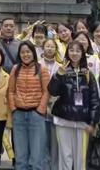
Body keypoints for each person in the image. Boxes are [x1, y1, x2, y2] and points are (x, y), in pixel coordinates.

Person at [48, 41, 100, 170]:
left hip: (82, 121)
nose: (74, 53)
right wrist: (58, 75)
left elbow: (95, 99)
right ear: (67, 52)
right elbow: (52, 91)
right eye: (71, 50)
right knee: (65, 156)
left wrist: (93, 122)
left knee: (81, 158)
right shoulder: (62, 71)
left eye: (78, 51)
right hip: (63, 120)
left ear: (82, 53)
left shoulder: (88, 74)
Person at [7, 40, 49, 170]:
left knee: (37, 157)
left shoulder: (41, 68)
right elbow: (11, 91)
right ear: (19, 54)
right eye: (22, 52)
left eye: (28, 52)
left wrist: (40, 110)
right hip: (19, 115)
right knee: (20, 157)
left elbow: (47, 91)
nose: (25, 55)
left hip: (36, 115)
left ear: (33, 53)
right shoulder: (15, 69)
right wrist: (14, 108)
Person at [40, 38, 60, 170]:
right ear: (43, 48)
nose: (50, 49)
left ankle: (54, 166)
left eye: (52, 46)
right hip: (40, 107)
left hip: (55, 107)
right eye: (47, 46)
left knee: (55, 142)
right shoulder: (37, 65)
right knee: (42, 142)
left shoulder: (60, 66)